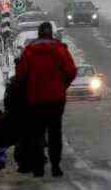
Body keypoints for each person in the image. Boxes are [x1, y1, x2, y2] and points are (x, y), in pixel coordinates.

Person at [15, 22, 77, 177]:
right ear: (51, 34)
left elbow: (21, 74)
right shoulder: (60, 49)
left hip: (35, 100)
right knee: (55, 133)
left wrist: (26, 88)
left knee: (37, 132)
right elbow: (71, 70)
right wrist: (63, 85)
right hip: (56, 99)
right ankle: (55, 166)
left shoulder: (30, 51)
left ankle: (38, 168)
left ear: (39, 34)